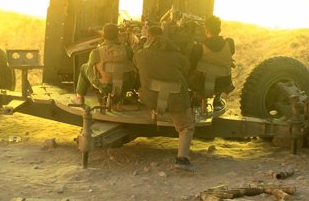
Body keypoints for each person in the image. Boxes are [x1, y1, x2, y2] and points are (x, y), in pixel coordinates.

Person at [133, 26, 196, 171]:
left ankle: (156, 113)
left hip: (150, 99)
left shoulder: (140, 55)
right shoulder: (178, 57)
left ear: (149, 39)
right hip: (176, 99)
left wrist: (142, 41)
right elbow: (187, 68)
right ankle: (182, 158)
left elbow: (135, 65)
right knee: (186, 127)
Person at [74, 23, 134, 105]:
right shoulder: (128, 50)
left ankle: (79, 97)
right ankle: (122, 96)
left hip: (104, 86)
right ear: (118, 35)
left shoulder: (96, 52)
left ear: (104, 35)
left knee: (84, 67)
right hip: (125, 86)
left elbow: (91, 67)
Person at [189, 15, 235, 112]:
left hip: (201, 84)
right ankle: (217, 99)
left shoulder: (199, 47)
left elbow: (192, 65)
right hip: (222, 83)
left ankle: (195, 99)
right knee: (227, 65)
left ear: (206, 30)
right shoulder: (229, 43)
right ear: (219, 29)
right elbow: (229, 55)